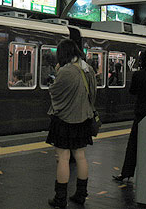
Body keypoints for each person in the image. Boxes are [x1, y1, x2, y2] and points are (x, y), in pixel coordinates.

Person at [46, 39, 97, 209]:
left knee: (63, 157)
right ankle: (81, 194)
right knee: (80, 157)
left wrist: (56, 75)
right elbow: (93, 94)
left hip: (65, 121)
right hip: (83, 120)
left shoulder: (66, 71)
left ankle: (61, 198)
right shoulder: (88, 69)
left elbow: (55, 92)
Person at [113, 50, 146, 182]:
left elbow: (132, 91)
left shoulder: (138, 75)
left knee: (133, 145)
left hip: (141, 114)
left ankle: (126, 173)